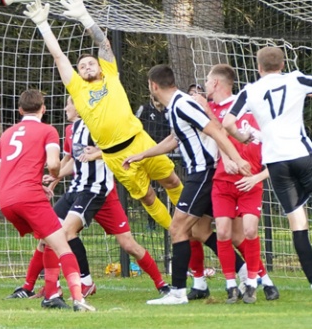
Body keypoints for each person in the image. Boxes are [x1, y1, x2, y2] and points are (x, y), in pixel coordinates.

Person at [24, 0, 182, 231]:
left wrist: (85, 17)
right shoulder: (78, 89)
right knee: (148, 197)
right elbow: (59, 57)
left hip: (140, 142)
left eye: (91, 63)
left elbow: (104, 44)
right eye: (82, 66)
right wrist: (43, 25)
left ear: (100, 66)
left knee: (171, 180)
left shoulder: (110, 74)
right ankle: (177, 232)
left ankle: (193, 218)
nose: (87, 67)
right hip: (115, 156)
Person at [9, 97, 170, 300]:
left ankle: (162, 284)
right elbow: (73, 160)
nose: (65, 107)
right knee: (47, 236)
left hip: (99, 193)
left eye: (69, 103)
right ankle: (35, 286)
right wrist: (55, 177)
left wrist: (99, 153)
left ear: (81, 106)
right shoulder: (71, 130)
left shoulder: (100, 127)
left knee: (127, 244)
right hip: (78, 191)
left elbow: (123, 150)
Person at [123, 65, 251, 305]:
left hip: (202, 174)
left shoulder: (182, 105)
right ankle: (245, 273)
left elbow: (215, 130)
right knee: (200, 231)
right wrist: (142, 155)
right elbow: (174, 139)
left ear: (153, 86)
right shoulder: (175, 107)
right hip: (199, 174)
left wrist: (237, 159)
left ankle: (178, 292)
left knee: (177, 228)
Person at [0, 89, 94, 312]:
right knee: (62, 245)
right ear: (44, 109)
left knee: (47, 240)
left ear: (19, 110)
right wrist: (53, 175)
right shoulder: (48, 130)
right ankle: (79, 299)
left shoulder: (6, 134)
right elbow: (52, 164)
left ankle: (50, 294)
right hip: (29, 198)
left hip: (5, 199)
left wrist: (34, 183)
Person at [222, 47, 312, 292]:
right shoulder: (295, 78)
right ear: (282, 65)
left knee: (298, 222)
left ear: (258, 67)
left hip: (276, 162)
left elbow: (227, 122)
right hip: (303, 154)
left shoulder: (250, 90)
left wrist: (241, 138)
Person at [200, 64, 279, 303]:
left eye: (207, 81)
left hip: (243, 183)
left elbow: (274, 159)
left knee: (237, 233)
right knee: (213, 232)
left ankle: (257, 280)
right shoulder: (208, 108)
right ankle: (224, 282)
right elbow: (216, 132)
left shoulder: (248, 112)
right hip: (215, 179)